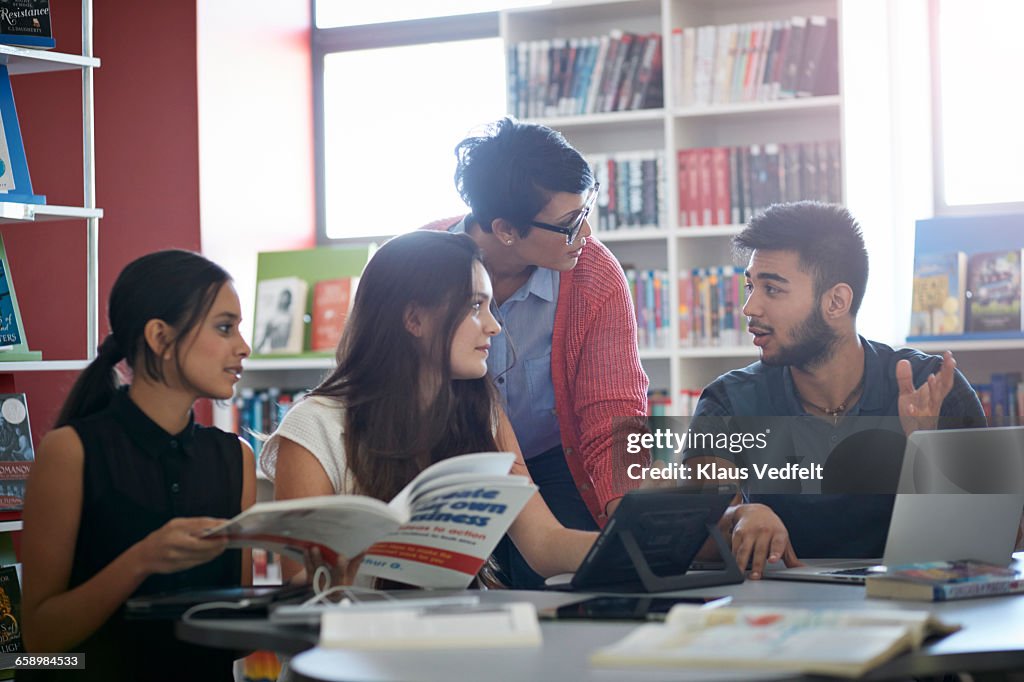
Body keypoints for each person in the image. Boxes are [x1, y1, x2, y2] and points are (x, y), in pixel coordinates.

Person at [259, 230, 597, 586]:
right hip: (361, 633)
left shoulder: (483, 413)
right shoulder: (315, 426)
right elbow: (299, 583)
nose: (494, 326)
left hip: (461, 628)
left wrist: (635, 550)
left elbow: (543, 543)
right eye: (474, 306)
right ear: (414, 319)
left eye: (489, 307)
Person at [686, 201, 985, 569]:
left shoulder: (934, 389)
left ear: (836, 301)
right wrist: (741, 517)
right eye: (750, 286)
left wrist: (927, 451)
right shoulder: (728, 402)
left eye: (772, 289)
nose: (750, 307)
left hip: (911, 605)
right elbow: (695, 533)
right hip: (779, 613)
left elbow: (998, 538)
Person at [421, 118, 650, 587]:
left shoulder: (595, 275)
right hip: (446, 461)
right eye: (569, 225)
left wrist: (632, 515)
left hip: (554, 460)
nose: (585, 235)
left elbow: (613, 412)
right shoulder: (418, 265)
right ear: (505, 229)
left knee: (578, 583)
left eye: (587, 211)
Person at [20, 250, 257, 681]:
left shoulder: (235, 458)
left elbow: (237, 636)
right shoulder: (70, 452)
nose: (244, 347)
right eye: (225, 328)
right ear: (160, 337)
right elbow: (37, 646)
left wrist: (315, 583)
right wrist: (141, 560)